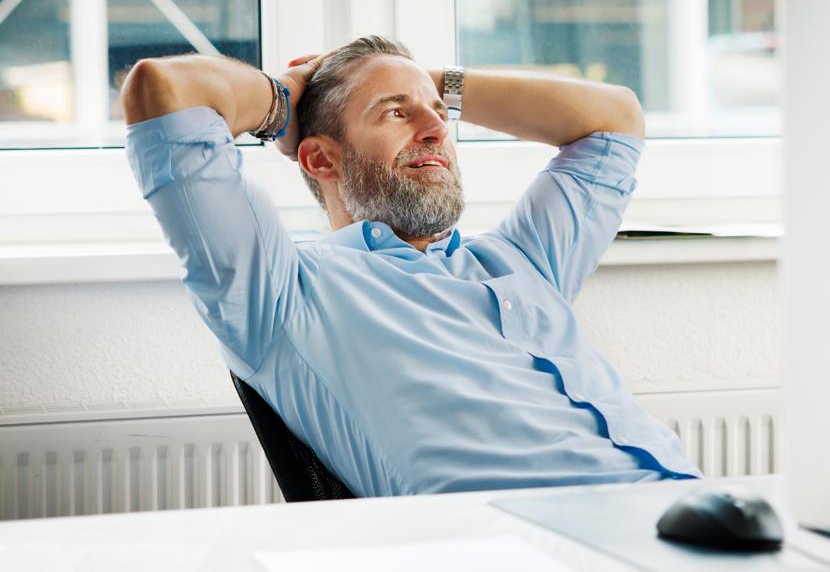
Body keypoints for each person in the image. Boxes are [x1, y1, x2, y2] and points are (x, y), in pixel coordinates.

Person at [121, 35, 701, 497]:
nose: (436, 129)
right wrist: (290, 92)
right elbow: (164, 89)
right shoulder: (281, 291)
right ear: (321, 157)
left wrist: (429, 80)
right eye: (397, 114)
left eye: (439, 113)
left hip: (687, 511)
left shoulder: (521, 260)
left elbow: (616, 118)